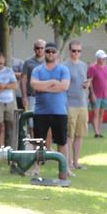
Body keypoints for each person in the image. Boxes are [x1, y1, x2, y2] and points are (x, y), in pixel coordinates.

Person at [30, 42, 72, 176]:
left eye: (53, 52)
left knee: (62, 142)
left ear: (57, 53)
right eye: (48, 51)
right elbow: (35, 85)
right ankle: (36, 168)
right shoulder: (37, 70)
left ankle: (65, 168)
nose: (50, 54)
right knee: (38, 142)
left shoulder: (63, 69)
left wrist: (45, 87)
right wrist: (53, 82)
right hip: (41, 112)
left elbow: (64, 86)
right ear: (44, 53)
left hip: (59, 112)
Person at [64, 41, 90, 169]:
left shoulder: (84, 65)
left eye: (79, 51)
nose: (76, 53)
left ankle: (76, 162)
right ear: (69, 51)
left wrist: (87, 85)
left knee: (80, 134)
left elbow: (85, 82)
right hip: (70, 104)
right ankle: (68, 163)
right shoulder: (65, 66)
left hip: (83, 104)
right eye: (74, 51)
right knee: (70, 135)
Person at [87, 49, 107, 138]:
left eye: (104, 58)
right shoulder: (92, 68)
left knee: (101, 114)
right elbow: (90, 81)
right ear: (97, 58)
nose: (104, 59)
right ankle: (96, 132)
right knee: (95, 114)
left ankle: (99, 131)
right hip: (96, 95)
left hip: (104, 95)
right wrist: (92, 94)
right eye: (102, 58)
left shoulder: (106, 68)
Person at [21, 39, 46, 138]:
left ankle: (45, 145)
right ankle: (34, 144)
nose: (39, 50)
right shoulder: (28, 62)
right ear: (34, 49)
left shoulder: (49, 61)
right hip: (32, 96)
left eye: (41, 48)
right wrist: (24, 96)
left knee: (45, 121)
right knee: (32, 122)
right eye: (37, 48)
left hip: (46, 96)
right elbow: (23, 79)